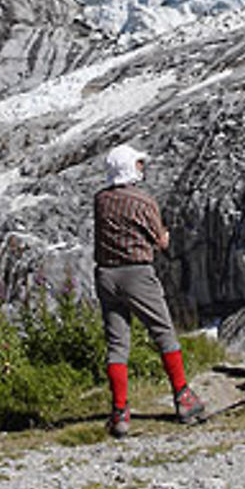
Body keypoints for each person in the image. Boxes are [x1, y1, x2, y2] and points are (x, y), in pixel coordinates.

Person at [93, 142, 206, 438]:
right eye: (139, 164)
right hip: (137, 274)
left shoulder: (100, 200)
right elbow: (161, 241)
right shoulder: (144, 201)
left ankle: (119, 413)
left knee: (117, 344)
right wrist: (163, 235)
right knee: (163, 333)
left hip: (106, 275)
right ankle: (183, 397)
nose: (142, 168)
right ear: (130, 168)